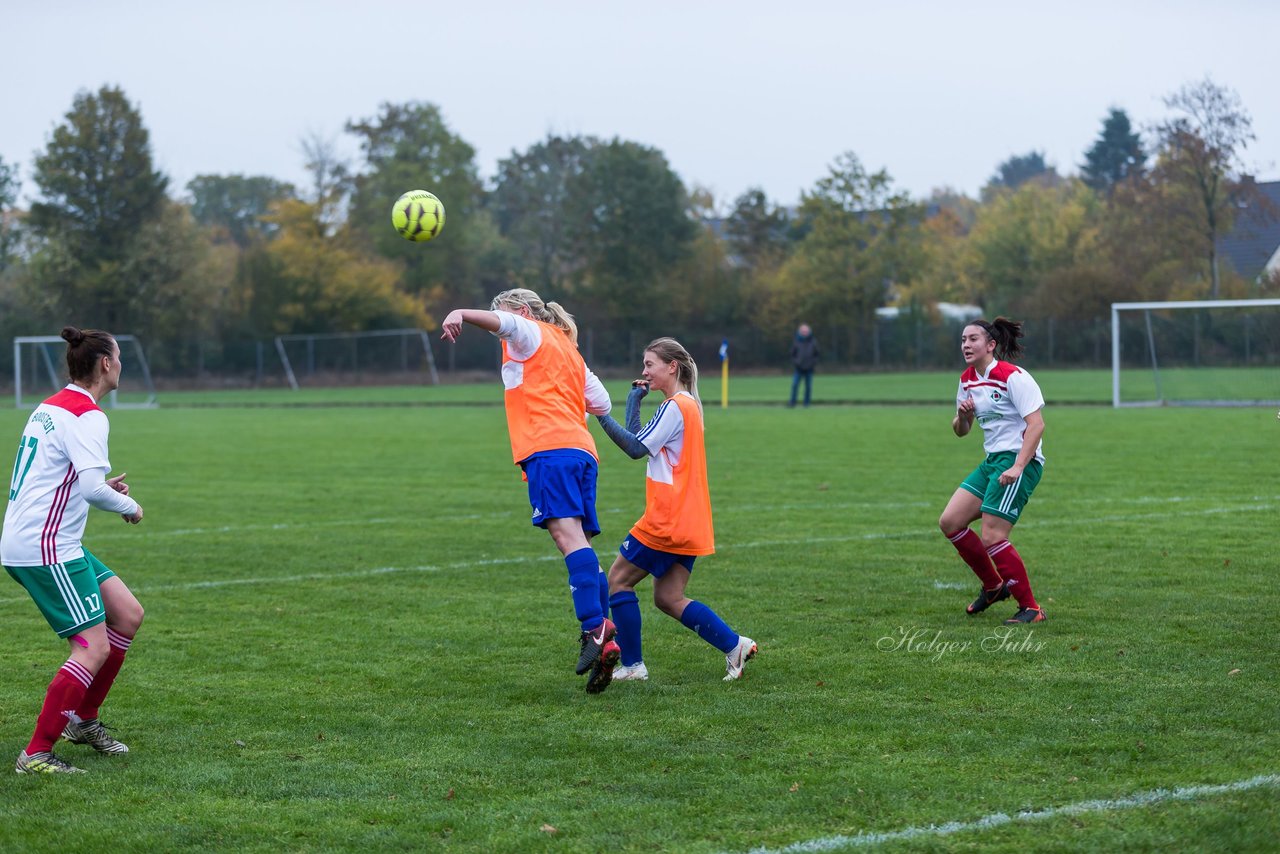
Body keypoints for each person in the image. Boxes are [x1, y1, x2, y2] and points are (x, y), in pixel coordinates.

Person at [440, 289, 620, 693]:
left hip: (548, 449)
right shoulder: (568, 348)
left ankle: (594, 627)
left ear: (521, 310)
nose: (494, 321)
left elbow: (505, 324)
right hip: (582, 452)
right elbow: (602, 402)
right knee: (584, 544)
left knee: (566, 536)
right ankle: (609, 641)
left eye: (497, 311)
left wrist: (460, 313)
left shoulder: (528, 331)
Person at [3, 327, 146, 774]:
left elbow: (64, 478)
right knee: (90, 648)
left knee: (127, 614)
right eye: (118, 357)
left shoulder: (50, 407)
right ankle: (37, 753)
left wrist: (100, 487)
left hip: (45, 539)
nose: (121, 364)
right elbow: (90, 490)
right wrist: (129, 505)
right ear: (105, 363)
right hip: (46, 547)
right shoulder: (88, 415)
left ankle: (82, 720)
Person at [595, 337, 756, 682]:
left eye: (650, 364)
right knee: (669, 597)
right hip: (690, 519)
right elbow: (644, 442)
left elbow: (635, 449)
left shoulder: (674, 407)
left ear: (672, 366)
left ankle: (634, 665)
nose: (644, 371)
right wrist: (635, 402)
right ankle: (734, 645)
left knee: (618, 581)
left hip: (666, 518)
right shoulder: (688, 406)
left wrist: (600, 414)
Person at [938, 317, 1047, 625]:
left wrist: (1018, 466)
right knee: (950, 522)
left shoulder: (1013, 377)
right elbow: (962, 431)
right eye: (962, 340)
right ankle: (994, 586)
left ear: (990, 345)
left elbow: (1036, 425)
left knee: (993, 534)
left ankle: (1032, 608)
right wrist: (963, 417)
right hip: (992, 461)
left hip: (1018, 461)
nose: (966, 345)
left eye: (973, 339)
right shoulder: (967, 379)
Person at [789, 323, 819, 407]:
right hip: (798, 368)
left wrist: (813, 363)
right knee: (794, 385)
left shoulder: (813, 341)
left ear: (809, 332)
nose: (804, 332)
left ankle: (806, 403)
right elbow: (792, 354)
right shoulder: (796, 341)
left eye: (806, 331)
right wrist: (796, 362)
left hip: (809, 368)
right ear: (800, 332)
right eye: (803, 331)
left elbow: (816, 354)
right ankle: (792, 402)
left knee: (808, 387)